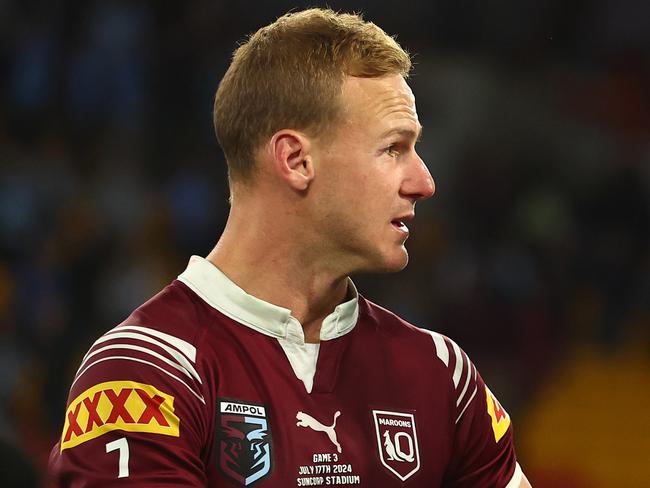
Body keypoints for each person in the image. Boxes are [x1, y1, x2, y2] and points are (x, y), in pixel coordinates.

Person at [48, 8, 531, 487]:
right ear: (296, 160)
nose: (424, 182)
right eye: (393, 148)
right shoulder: (143, 374)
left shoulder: (441, 376)